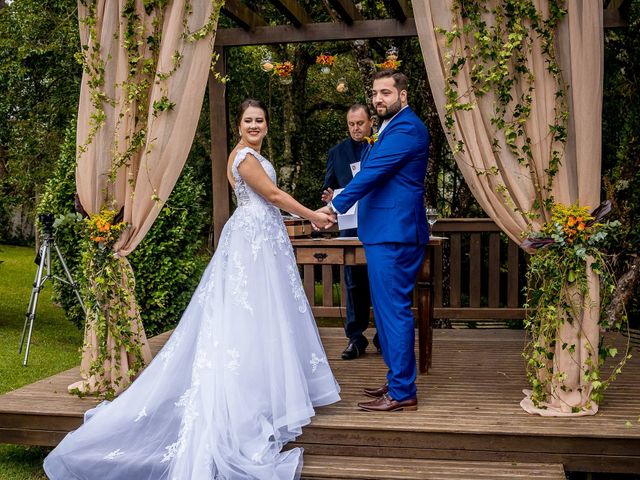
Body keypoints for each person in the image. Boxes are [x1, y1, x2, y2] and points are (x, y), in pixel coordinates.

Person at [44, 99, 341, 480]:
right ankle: (243, 401)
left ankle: (261, 391)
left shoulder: (249, 154)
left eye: (260, 120)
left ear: (267, 125)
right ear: (239, 126)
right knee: (246, 316)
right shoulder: (245, 158)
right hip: (253, 239)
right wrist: (314, 215)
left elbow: (270, 203)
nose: (254, 125)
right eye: (248, 120)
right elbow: (274, 197)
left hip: (261, 236)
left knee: (259, 316)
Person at [320, 70, 430, 412]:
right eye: (374, 93)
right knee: (384, 312)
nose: (378, 99)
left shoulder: (406, 128)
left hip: (394, 232)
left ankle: (402, 392)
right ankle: (397, 378)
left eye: (385, 92)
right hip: (384, 231)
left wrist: (334, 207)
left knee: (393, 312)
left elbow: (372, 173)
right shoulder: (389, 127)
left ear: (403, 94)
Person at [321, 104, 376, 360]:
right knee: (353, 283)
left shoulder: (380, 147)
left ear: (371, 123)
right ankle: (356, 338)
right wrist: (329, 195)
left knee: (380, 281)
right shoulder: (337, 152)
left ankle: (383, 337)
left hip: (378, 225)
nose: (355, 128)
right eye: (351, 124)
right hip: (350, 226)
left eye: (360, 123)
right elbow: (328, 187)